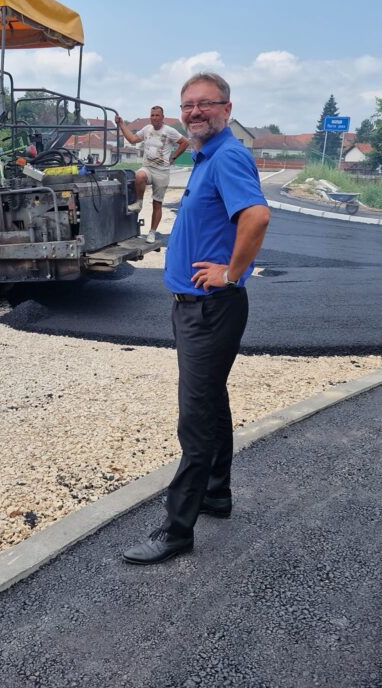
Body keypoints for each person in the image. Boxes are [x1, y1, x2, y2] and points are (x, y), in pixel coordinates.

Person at [123, 73, 271, 565]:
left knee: (195, 420)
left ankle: (176, 530)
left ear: (227, 109)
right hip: (198, 308)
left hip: (210, 309)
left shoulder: (227, 156)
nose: (194, 112)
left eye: (205, 104)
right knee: (211, 403)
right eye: (188, 105)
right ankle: (216, 493)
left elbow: (256, 217)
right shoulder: (207, 156)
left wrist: (231, 273)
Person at [115, 107, 188, 244]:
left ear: (162, 117)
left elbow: (185, 142)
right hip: (148, 167)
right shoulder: (147, 129)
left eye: (157, 115)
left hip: (162, 171)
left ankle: (152, 232)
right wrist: (121, 124)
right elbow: (132, 139)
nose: (154, 117)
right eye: (152, 115)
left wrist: (173, 157)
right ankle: (139, 203)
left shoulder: (169, 131)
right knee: (139, 176)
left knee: (157, 204)